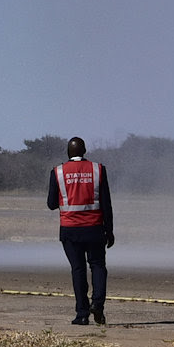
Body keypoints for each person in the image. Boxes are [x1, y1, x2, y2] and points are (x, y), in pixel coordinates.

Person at [46, 135, 114, 325]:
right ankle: (98, 305)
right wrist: (110, 230)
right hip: (95, 229)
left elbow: (51, 204)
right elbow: (107, 204)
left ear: (68, 152)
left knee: (78, 270)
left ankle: (82, 314)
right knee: (98, 266)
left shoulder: (58, 172)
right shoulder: (98, 170)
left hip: (70, 230)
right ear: (84, 152)